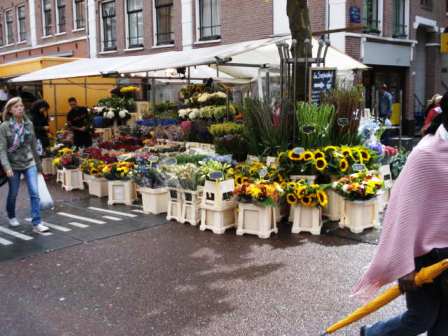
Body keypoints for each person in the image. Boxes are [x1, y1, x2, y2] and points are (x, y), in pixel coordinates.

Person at [355, 92, 448, 336]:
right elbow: (403, 210)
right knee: (420, 319)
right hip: (425, 256)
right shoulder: (425, 154)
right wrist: (404, 263)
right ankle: (371, 334)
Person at [0, 97, 50, 233]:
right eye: (16, 107)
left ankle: (37, 223)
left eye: (21, 106)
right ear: (10, 110)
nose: (20, 108)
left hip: (29, 162)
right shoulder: (4, 127)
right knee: (13, 193)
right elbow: (2, 150)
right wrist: (7, 167)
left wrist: (39, 165)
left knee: (34, 193)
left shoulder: (28, 124)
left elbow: (33, 145)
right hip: (13, 165)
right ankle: (11, 214)